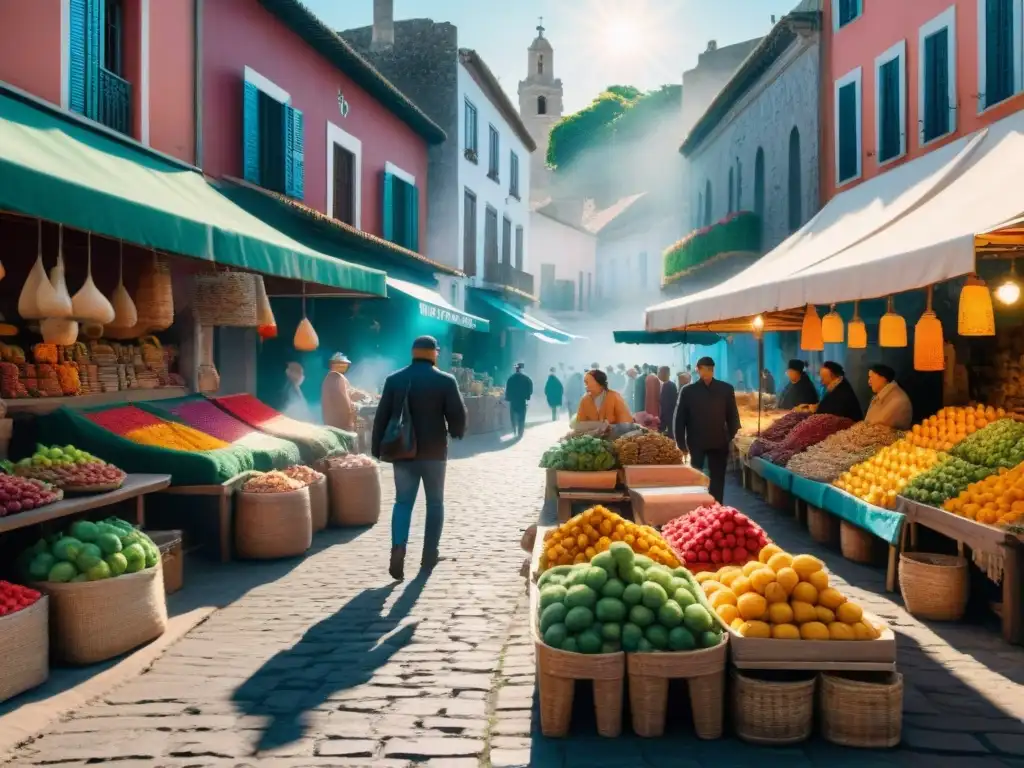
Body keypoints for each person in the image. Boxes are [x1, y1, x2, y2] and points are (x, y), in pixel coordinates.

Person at [371, 336, 467, 581]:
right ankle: (429, 554)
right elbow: (457, 414)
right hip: (434, 452)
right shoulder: (445, 380)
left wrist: (376, 448)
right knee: (435, 503)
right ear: (435, 353)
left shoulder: (395, 379)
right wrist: (456, 431)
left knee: (403, 502)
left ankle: (398, 547)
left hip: (402, 452)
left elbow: (381, 417)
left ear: (413, 352)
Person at [674, 356, 740, 503]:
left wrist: (735, 438)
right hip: (696, 442)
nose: (707, 372)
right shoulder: (688, 391)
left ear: (713, 370)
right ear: (698, 370)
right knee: (696, 476)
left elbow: (733, 416)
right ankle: (697, 506)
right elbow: (680, 419)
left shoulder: (725, 389)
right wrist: (681, 444)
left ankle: (716, 506)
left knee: (718, 478)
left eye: (710, 369)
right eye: (704, 368)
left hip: (719, 441)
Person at [865, 363, 913, 429]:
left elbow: (876, 424)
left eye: (871, 377)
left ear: (883, 378)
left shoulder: (898, 400)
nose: (869, 382)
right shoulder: (879, 396)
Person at [321, 352, 356, 431]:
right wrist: (349, 419)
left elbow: (349, 392)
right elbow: (343, 401)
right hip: (340, 425)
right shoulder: (336, 377)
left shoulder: (330, 377)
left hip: (333, 424)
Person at [504, 362, 533, 438]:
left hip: (513, 401)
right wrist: (527, 397)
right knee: (522, 417)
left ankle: (514, 430)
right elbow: (530, 389)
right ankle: (520, 432)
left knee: (513, 416)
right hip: (522, 400)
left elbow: (508, 390)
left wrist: (508, 398)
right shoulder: (526, 378)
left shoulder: (511, 378)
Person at [658, 366, 678, 438]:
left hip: (670, 415)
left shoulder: (671, 385)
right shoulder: (659, 385)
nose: (658, 374)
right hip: (662, 415)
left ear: (666, 373)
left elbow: (673, 401)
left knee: (671, 434)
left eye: (660, 372)